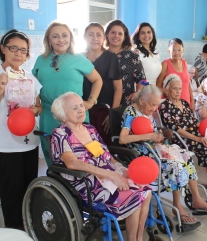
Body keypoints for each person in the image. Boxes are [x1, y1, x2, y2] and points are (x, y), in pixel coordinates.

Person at [50, 92, 151, 241]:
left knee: (145, 190)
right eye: (74, 108)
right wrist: (110, 175)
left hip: (107, 175)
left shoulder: (90, 129)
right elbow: (72, 162)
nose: (81, 109)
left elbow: (106, 155)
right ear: (63, 115)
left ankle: (138, 238)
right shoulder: (60, 134)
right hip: (87, 183)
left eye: (81, 105)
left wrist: (120, 168)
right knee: (134, 198)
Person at [119, 85, 207, 225]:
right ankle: (177, 205)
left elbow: (154, 132)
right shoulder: (131, 112)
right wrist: (149, 136)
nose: (154, 109)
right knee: (175, 165)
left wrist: (160, 136)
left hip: (155, 148)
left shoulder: (147, 111)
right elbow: (122, 139)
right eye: (152, 104)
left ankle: (196, 198)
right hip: (141, 153)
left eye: (156, 105)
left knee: (186, 157)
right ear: (141, 101)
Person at [0, 30, 42, 230]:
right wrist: (0, 91)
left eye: (23, 50)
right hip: (4, 146)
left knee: (30, 191)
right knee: (11, 195)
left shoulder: (30, 78)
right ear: (3, 49)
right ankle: (14, 232)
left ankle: (30, 229)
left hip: (29, 143)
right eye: (13, 48)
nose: (18, 53)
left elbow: (38, 107)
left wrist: (35, 109)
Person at [32, 21, 102, 165]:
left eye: (65, 35)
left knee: (81, 152)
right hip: (49, 113)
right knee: (52, 152)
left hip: (75, 114)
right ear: (49, 40)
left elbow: (97, 80)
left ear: (70, 38)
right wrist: (37, 103)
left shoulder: (79, 59)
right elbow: (34, 85)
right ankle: (56, 183)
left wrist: (91, 101)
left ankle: (87, 185)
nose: (61, 39)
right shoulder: (41, 60)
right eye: (55, 36)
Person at [160, 74, 207, 204]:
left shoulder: (184, 103)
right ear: (167, 90)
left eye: (180, 88)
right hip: (182, 139)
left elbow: (195, 122)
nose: (178, 91)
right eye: (175, 89)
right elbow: (176, 128)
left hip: (196, 134)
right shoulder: (165, 106)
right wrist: (197, 138)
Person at [83, 22, 122, 146]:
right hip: (84, 110)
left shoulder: (111, 57)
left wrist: (112, 115)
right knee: (86, 145)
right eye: (90, 34)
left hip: (104, 110)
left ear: (104, 38)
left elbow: (118, 88)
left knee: (103, 147)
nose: (95, 38)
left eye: (98, 35)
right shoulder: (79, 58)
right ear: (84, 37)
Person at [105, 20, 146, 107]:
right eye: (113, 32)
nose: (116, 36)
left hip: (126, 105)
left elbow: (142, 80)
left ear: (124, 37)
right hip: (103, 104)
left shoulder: (132, 56)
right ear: (107, 34)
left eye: (120, 34)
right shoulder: (101, 55)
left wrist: (138, 93)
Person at [156, 38, 195, 109]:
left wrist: (192, 100)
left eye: (179, 50)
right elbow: (158, 87)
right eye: (173, 50)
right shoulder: (165, 64)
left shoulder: (184, 62)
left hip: (186, 103)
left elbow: (188, 84)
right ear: (169, 51)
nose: (177, 53)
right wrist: (167, 92)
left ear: (183, 50)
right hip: (171, 106)